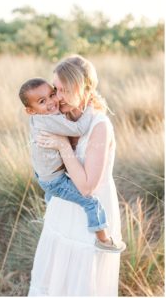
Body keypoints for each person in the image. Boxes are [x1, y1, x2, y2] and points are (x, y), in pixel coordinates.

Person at [28, 55, 125, 296]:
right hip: (62, 209)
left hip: (88, 215)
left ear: (85, 89)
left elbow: (87, 188)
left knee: (81, 281)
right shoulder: (61, 118)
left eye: (64, 90)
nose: (57, 97)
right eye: (55, 89)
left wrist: (62, 146)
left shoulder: (99, 126)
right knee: (55, 279)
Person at [19, 78, 125, 253]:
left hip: (44, 174)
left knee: (53, 194)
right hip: (54, 179)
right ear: (30, 110)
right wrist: (91, 106)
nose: (52, 101)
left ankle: (50, 211)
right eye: (42, 101)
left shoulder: (41, 117)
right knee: (91, 203)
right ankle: (103, 239)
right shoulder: (47, 120)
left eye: (52, 94)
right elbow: (78, 129)